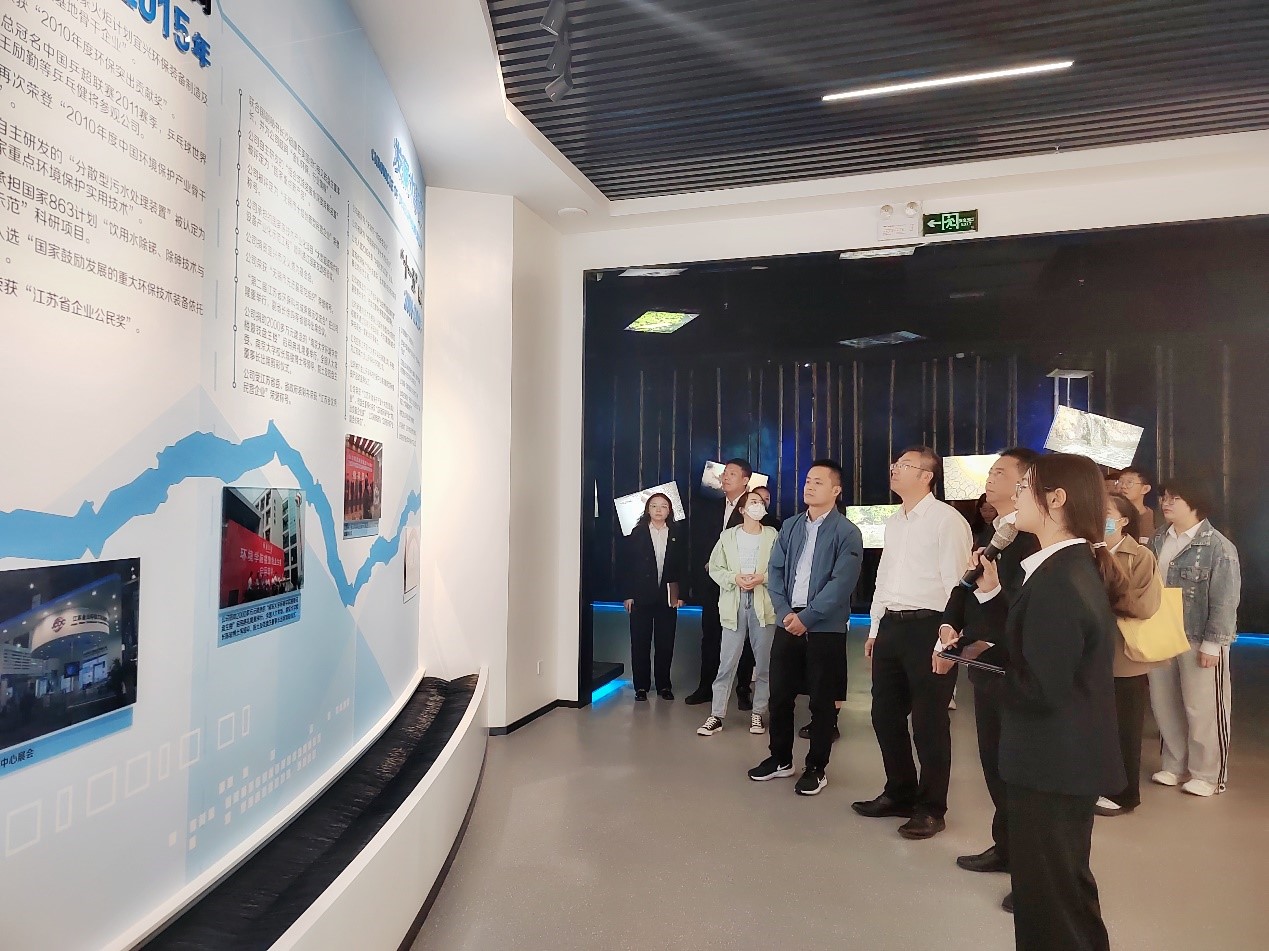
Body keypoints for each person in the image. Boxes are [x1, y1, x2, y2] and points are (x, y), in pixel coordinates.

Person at [958, 453, 1125, 951]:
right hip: (1060, 761)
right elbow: (1038, 647)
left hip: (1052, 764)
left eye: (1024, 486)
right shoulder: (1062, 568)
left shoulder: (1060, 579)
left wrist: (973, 662)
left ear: (1056, 499)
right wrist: (992, 607)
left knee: (1051, 905)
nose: (1015, 496)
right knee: (1062, 895)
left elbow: (1038, 687)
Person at [852, 447, 972, 839]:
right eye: (894, 465)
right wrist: (874, 628)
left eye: (903, 466)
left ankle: (931, 808)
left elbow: (957, 586)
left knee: (928, 722)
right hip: (892, 625)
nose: (894, 470)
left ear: (926, 476)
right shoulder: (894, 521)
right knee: (884, 715)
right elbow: (883, 577)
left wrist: (947, 642)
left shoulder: (947, 521)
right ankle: (899, 792)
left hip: (930, 628)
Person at [935, 447, 1039, 882]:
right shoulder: (994, 533)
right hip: (985, 665)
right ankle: (1007, 847)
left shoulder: (1032, 542)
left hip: (1014, 667)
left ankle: (1030, 866)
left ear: (1026, 484)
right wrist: (949, 623)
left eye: (1000, 472)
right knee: (994, 763)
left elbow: (1023, 611)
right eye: (991, 471)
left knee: (1016, 769)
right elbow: (966, 586)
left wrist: (991, 593)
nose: (990, 477)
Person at [748, 460, 862, 795]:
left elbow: (842, 584)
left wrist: (808, 618)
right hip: (788, 620)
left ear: (836, 490)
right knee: (780, 695)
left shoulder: (847, 532)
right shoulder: (791, 526)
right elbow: (775, 571)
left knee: (821, 700)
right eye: (808, 481)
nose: (809, 486)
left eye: (818, 482)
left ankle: (816, 768)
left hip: (825, 627)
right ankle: (780, 759)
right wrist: (786, 613)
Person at [1147, 476, 1241, 797]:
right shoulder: (1157, 539)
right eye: (1165, 497)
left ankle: (1207, 774)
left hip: (1198, 637)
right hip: (1161, 635)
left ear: (1196, 504)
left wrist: (1214, 643)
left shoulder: (1218, 547)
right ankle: (1174, 765)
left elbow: (1225, 600)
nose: (1166, 503)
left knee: (1203, 708)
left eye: (1175, 498)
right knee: (1165, 704)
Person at [1095, 496, 1163, 816]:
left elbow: (1146, 605)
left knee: (1125, 728)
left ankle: (1125, 795)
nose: (1100, 517)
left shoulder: (1140, 556)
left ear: (1123, 521)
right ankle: (1099, 785)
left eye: (1107, 513)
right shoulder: (1087, 552)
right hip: (1092, 654)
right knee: (1098, 726)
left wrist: (1104, 600)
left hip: (1125, 657)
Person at [698, 489, 779, 736]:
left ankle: (758, 713)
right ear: (742, 510)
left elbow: (782, 568)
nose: (758, 505)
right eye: (753, 502)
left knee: (764, 664)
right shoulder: (727, 536)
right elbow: (715, 567)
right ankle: (716, 714)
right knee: (727, 662)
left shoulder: (772, 535)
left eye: (761, 502)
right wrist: (735, 578)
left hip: (764, 604)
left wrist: (762, 578)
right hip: (734, 602)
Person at [687, 459, 757, 711]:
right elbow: (701, 542)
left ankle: (742, 689)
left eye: (732, 474)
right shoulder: (711, 508)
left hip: (742, 585)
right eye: (724, 473)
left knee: (744, 638)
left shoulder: (754, 507)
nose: (725, 477)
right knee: (710, 635)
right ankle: (706, 686)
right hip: (713, 585)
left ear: (745, 480)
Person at [620, 493, 685, 701]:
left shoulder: (677, 533)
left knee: (665, 643)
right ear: (647, 509)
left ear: (669, 510)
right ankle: (641, 686)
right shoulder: (637, 533)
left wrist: (681, 595)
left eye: (663, 506)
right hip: (640, 596)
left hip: (667, 596)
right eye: (654, 505)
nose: (658, 510)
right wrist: (628, 594)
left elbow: (684, 565)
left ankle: (664, 685)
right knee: (640, 643)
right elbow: (626, 566)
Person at [1114, 465, 1158, 542]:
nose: (1123, 486)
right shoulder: (1111, 516)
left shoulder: (1156, 518)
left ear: (1145, 489)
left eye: (1129, 482)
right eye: (1120, 482)